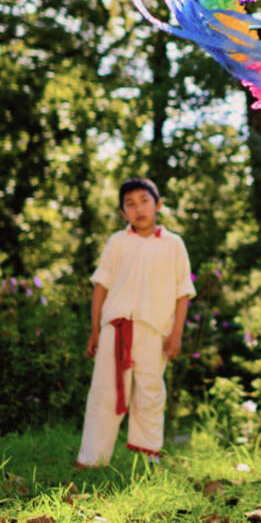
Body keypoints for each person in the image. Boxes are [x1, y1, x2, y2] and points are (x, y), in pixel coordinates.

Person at [76, 177, 195, 467]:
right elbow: (100, 287)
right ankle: (93, 459)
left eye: (144, 201)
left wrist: (176, 334)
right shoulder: (117, 242)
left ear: (158, 204)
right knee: (104, 392)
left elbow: (183, 293)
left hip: (155, 330)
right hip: (115, 327)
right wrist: (95, 330)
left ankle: (146, 456)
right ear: (122, 213)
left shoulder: (174, 244)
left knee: (150, 392)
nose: (138, 208)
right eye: (130, 204)